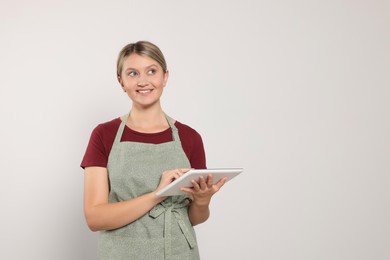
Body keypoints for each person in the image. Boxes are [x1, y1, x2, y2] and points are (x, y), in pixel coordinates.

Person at [81, 41, 226, 259]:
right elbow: (95, 218)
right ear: (121, 82)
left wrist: (203, 200)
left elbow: (194, 218)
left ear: (165, 76)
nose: (143, 81)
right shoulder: (104, 135)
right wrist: (158, 195)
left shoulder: (190, 137)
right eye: (132, 73)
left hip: (179, 253)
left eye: (151, 71)